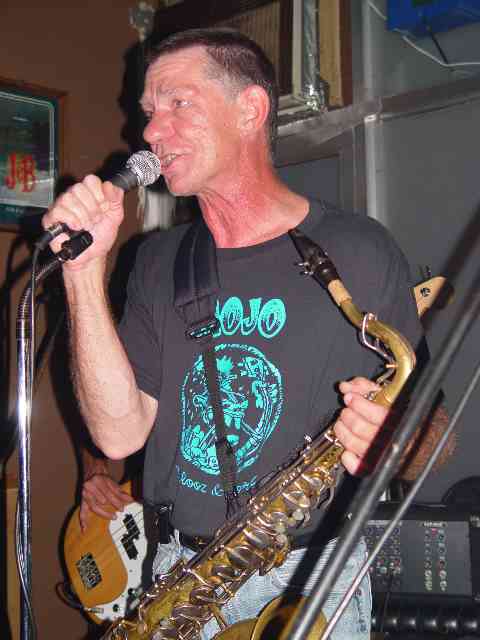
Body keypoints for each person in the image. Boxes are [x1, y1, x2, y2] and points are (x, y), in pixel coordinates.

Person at [43, 28, 452, 639]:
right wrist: (82, 272)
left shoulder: (360, 250)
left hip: (308, 577)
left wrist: (395, 439)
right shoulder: (156, 260)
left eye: (178, 103)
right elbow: (116, 433)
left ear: (250, 109)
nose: (151, 132)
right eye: (149, 111)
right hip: (177, 576)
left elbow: (434, 433)